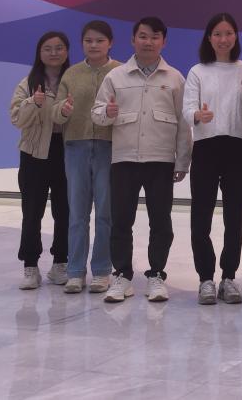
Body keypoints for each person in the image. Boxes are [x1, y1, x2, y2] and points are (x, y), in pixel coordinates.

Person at [90, 16, 191, 303]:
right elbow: (97, 112)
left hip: (161, 160)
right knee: (121, 220)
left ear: (164, 42)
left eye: (155, 37)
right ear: (133, 40)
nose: (148, 42)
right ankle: (122, 275)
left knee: (161, 222)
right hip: (124, 159)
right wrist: (106, 113)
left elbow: (184, 124)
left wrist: (183, 161)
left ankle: (156, 275)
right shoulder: (116, 77)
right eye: (143, 36)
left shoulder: (174, 78)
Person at [183, 12, 242, 306]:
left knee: (235, 217)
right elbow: (187, 108)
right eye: (217, 34)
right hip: (206, 147)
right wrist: (197, 115)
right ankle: (205, 278)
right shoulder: (198, 71)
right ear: (209, 38)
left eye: (228, 33)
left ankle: (229, 277)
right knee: (201, 216)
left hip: (240, 148)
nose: (223, 39)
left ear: (236, 36)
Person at [53, 20, 121, 294]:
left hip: (109, 146)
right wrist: (63, 110)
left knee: (105, 212)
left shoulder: (120, 72)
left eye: (100, 40)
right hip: (76, 147)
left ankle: (102, 271)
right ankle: (75, 272)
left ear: (110, 43)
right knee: (77, 213)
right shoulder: (71, 74)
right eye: (88, 41)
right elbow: (56, 113)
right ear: (82, 43)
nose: (94, 45)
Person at [9, 30, 72, 290]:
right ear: (39, 52)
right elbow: (16, 119)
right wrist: (33, 104)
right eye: (48, 48)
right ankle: (30, 266)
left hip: (67, 151)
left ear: (67, 51)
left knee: (65, 211)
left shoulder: (73, 79)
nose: (54, 53)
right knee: (32, 211)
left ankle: (61, 263)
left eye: (59, 48)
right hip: (34, 153)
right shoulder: (28, 82)